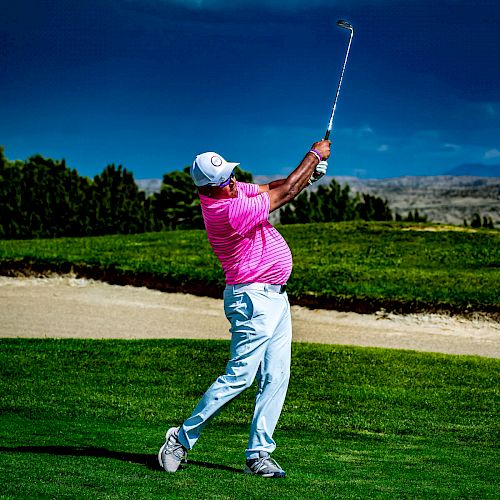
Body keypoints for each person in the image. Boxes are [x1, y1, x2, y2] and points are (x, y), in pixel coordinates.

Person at [158, 139, 331, 478]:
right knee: (240, 376)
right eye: (226, 178)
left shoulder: (231, 192)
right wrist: (313, 156)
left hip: (276, 299)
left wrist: (309, 175)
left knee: (277, 376)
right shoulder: (225, 212)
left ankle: (259, 454)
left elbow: (273, 186)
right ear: (212, 188)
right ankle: (180, 439)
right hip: (252, 299)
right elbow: (285, 195)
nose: (234, 180)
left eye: (231, 174)